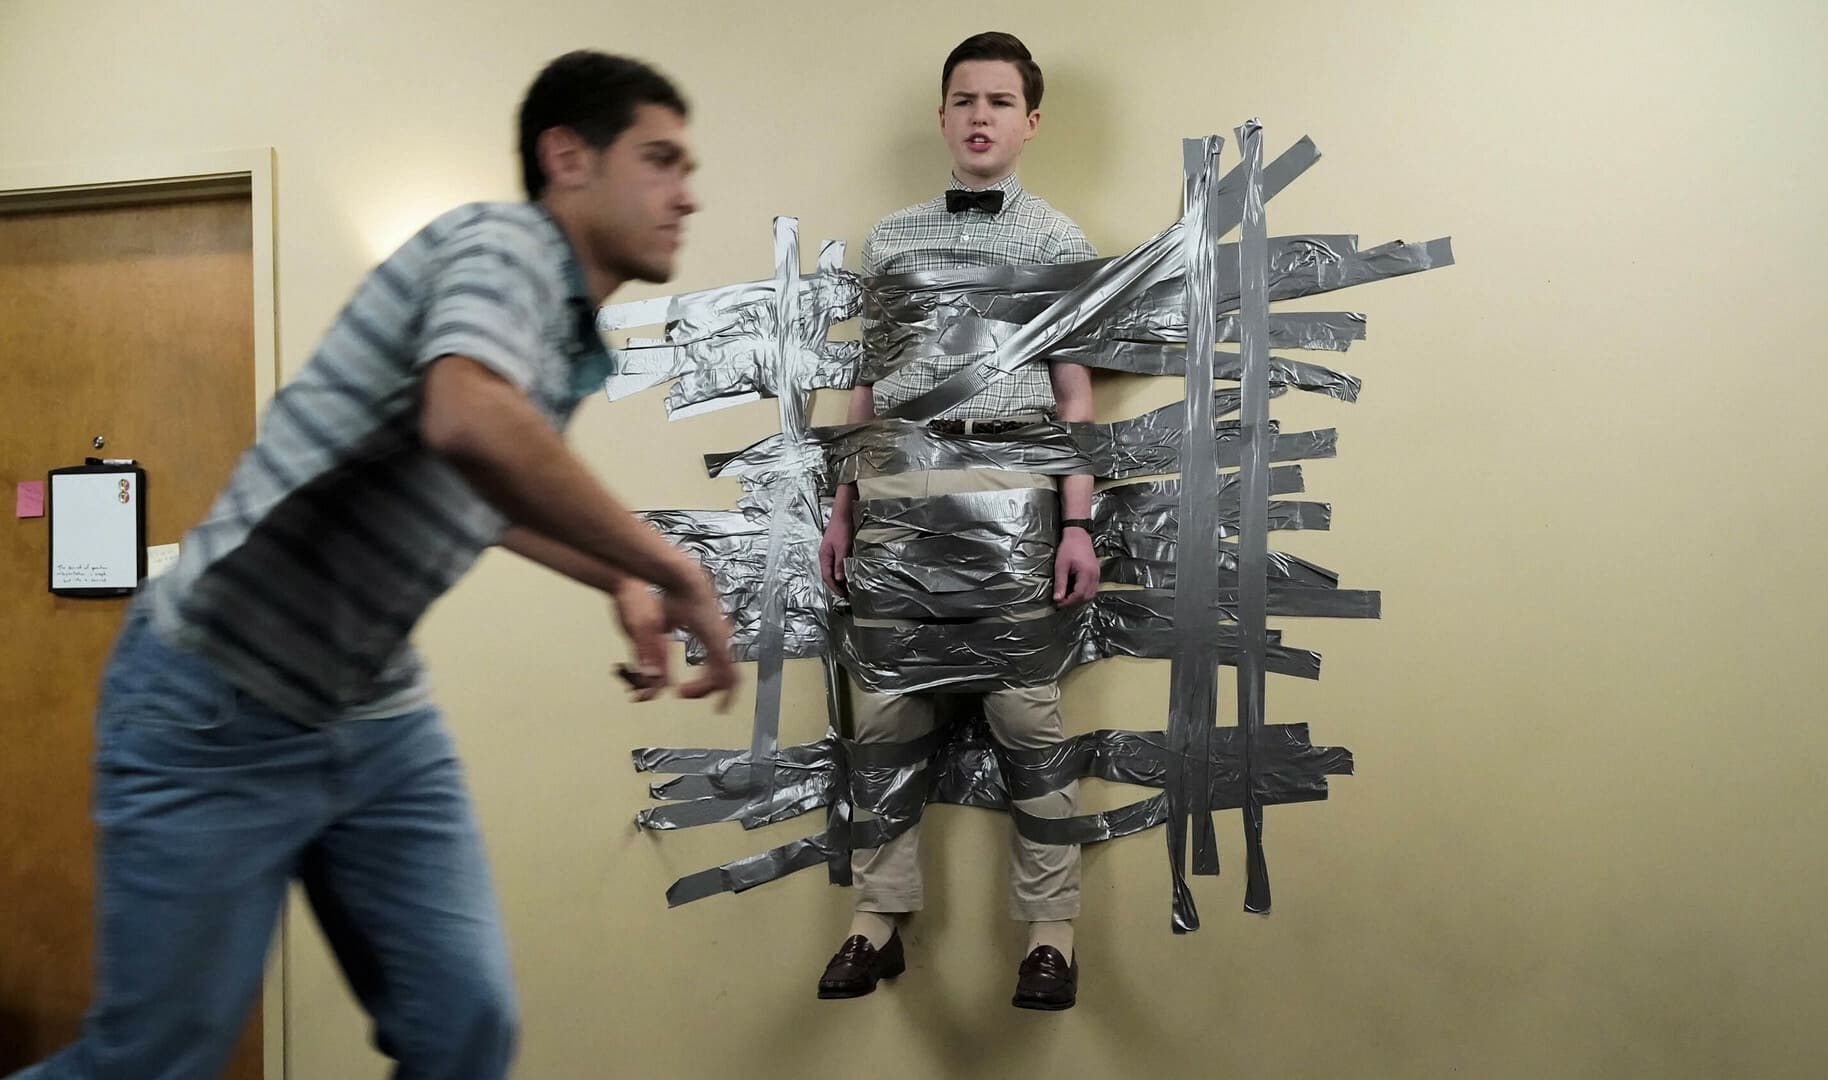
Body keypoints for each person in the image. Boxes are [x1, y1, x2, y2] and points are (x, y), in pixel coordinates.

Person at [10, 50, 736, 1080]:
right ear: (568, 158)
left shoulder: (564, 333)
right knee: (155, 1060)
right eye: (661, 160)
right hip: (216, 702)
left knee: (464, 1030)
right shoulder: (503, 245)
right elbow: (470, 419)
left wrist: (618, 577)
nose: (687, 193)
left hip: (375, 716)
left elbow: (484, 487)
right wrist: (676, 569)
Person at [815, 31, 1099, 1012]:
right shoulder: (889, 239)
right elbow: (864, 387)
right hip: (897, 486)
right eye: (965, 99)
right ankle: (877, 920)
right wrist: (842, 510)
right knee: (885, 715)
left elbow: (1074, 395)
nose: (981, 116)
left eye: (999, 101)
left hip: (1009, 485)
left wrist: (1076, 525)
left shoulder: (1057, 239)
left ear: (1030, 121)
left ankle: (1052, 936)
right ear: (942, 116)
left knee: (1028, 719)